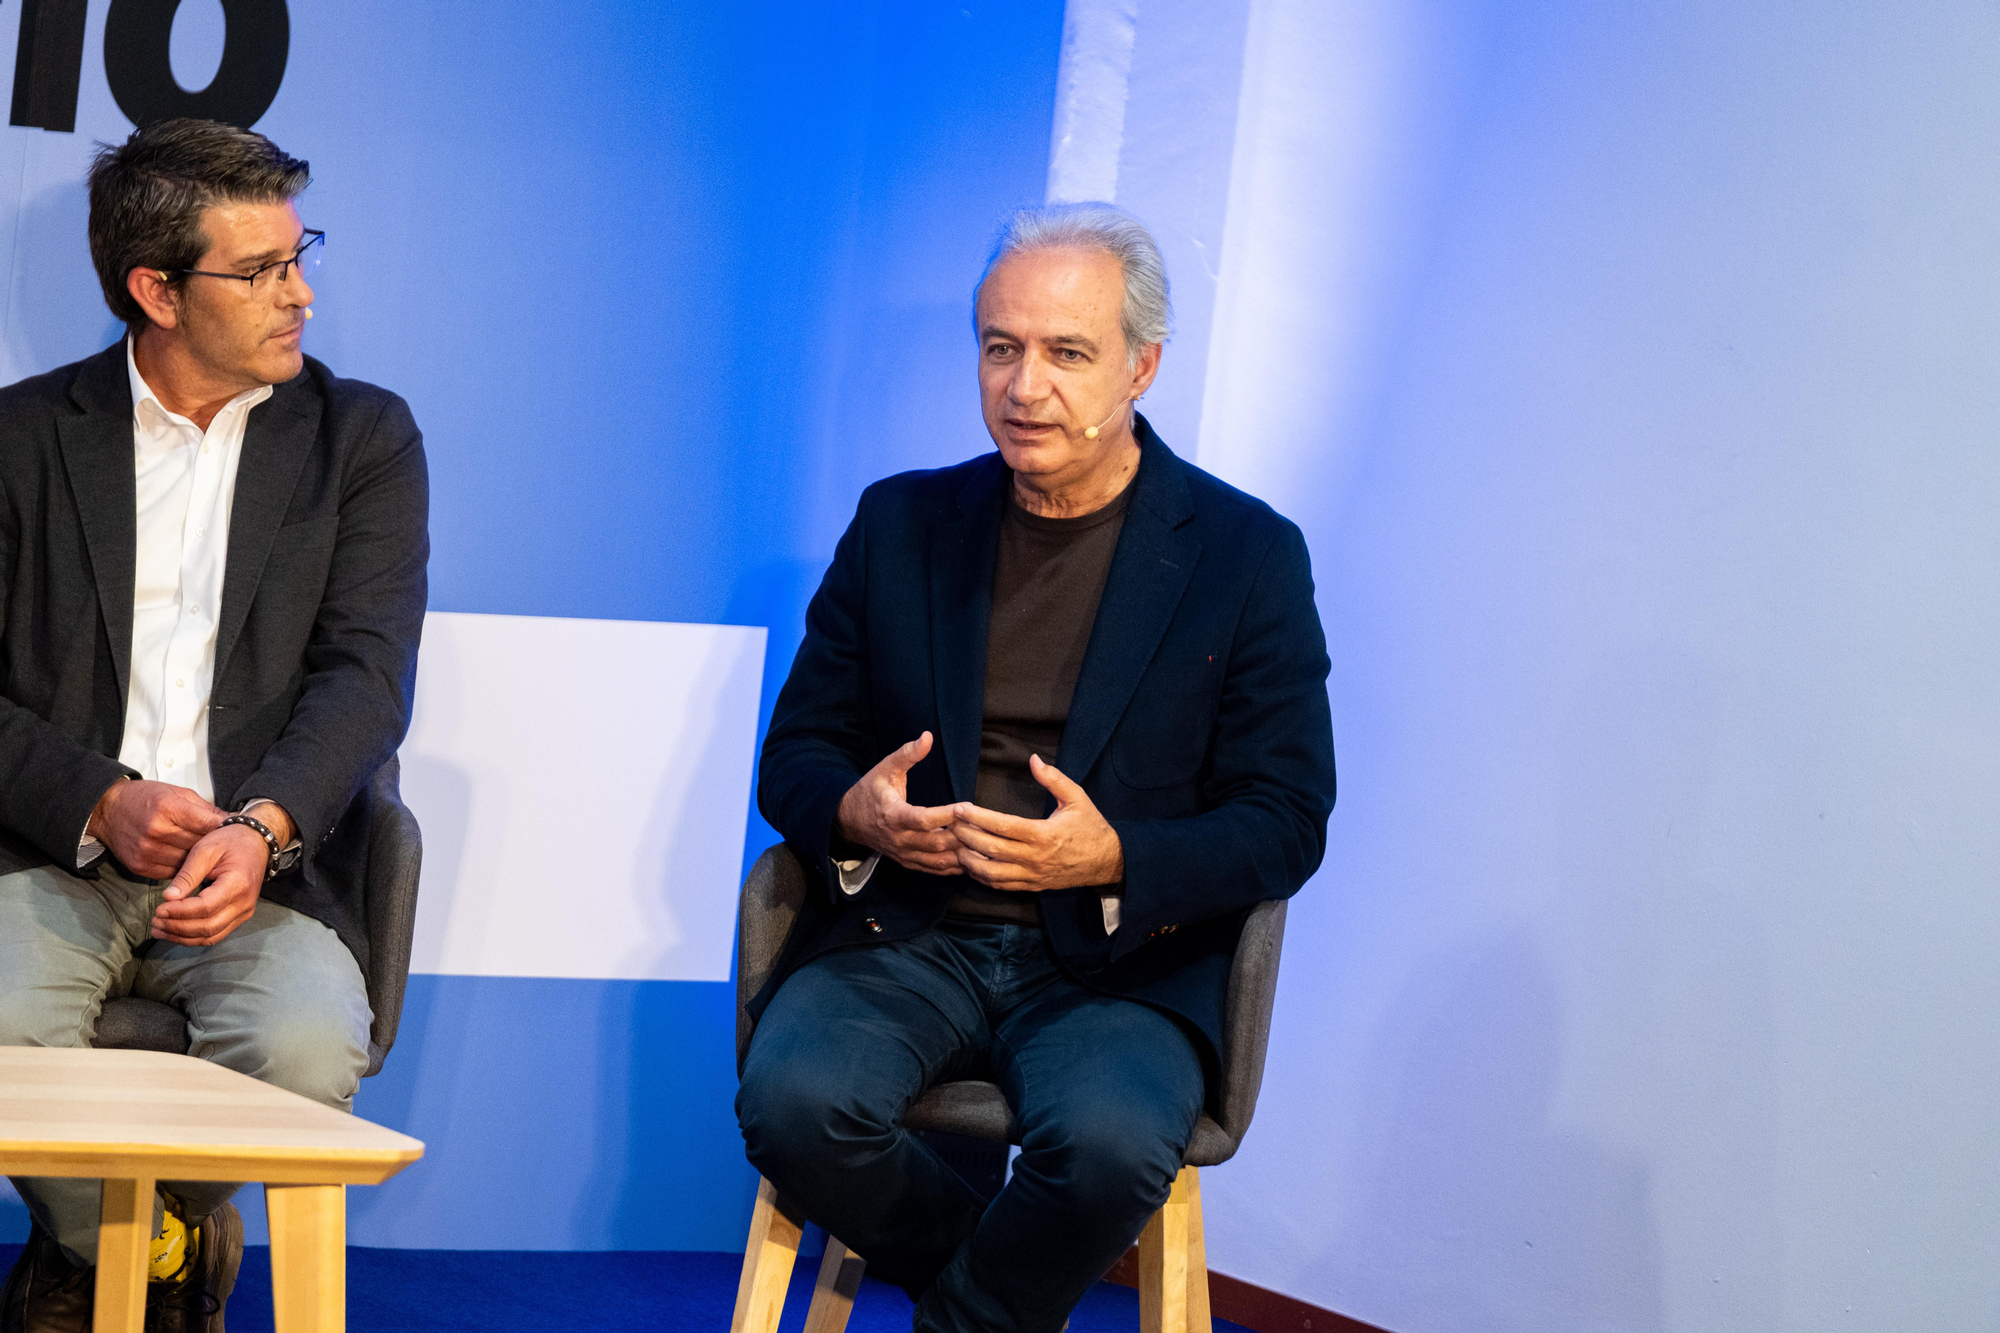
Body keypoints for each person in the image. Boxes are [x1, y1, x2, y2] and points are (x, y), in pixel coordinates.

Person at [740, 202, 1336, 1333]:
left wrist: (1113, 856)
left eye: (1067, 353)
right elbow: (797, 755)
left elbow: (1286, 815)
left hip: (1116, 963)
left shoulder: (1246, 555)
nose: (1025, 387)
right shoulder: (900, 523)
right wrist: (861, 815)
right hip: (908, 933)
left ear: (1140, 367)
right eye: (1000, 347)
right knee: (791, 1102)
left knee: (1109, 1150)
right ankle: (990, 1295)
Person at [0, 119, 428, 1332]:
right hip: (47, 854)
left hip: (262, 871)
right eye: (261, 270)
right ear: (157, 292)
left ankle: (100, 1259)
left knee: (306, 1051)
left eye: (300, 254)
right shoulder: (19, 440)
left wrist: (262, 825)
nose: (301, 293)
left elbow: (365, 676)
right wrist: (98, 796)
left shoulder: (362, 441)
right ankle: (149, 1252)